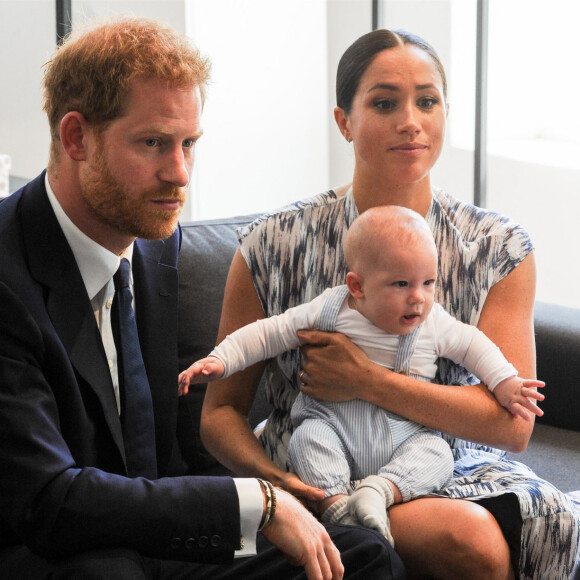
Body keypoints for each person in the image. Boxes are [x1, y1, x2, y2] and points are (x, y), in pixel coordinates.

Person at [0, 17, 402, 580]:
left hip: (148, 534)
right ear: (76, 137)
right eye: (153, 143)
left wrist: (277, 494)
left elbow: (170, 456)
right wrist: (253, 503)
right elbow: (46, 499)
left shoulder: (154, 247)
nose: (179, 173)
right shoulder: (8, 278)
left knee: (359, 554)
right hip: (48, 544)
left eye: (189, 143)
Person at [200, 28, 580, 579]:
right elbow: (220, 414)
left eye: (427, 101)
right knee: (471, 542)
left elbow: (512, 426)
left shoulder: (497, 247)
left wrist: (367, 380)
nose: (411, 120)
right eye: (384, 102)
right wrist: (278, 486)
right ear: (344, 121)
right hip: (310, 464)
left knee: (547, 520)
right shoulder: (272, 243)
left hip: (439, 463)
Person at [180, 205, 545, 546]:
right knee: (308, 440)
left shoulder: (433, 323)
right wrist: (220, 360)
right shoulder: (332, 308)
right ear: (357, 286)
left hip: (405, 434)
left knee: (437, 453)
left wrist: (506, 383)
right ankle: (335, 505)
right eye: (401, 285)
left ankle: (379, 490)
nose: (418, 298)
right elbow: (268, 332)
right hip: (333, 423)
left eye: (428, 283)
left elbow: (475, 346)